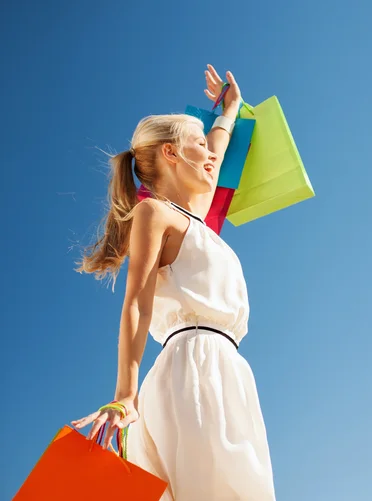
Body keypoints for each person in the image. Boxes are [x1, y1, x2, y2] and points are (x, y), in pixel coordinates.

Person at [71, 64, 276, 501]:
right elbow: (136, 302)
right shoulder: (154, 214)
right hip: (193, 368)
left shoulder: (195, 219)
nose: (210, 156)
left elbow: (217, 154)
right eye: (197, 146)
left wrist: (229, 110)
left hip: (228, 370)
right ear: (170, 154)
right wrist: (126, 394)